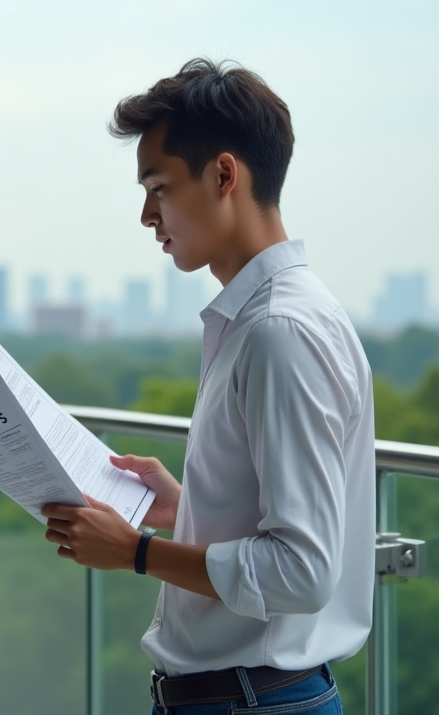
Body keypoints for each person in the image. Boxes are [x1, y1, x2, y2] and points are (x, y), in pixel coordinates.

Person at [41, 58, 375, 714]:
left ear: (224, 175)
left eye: (158, 186)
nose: (146, 214)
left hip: (254, 701)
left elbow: (302, 572)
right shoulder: (261, 318)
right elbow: (280, 515)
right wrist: (189, 505)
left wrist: (138, 551)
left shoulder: (279, 331)